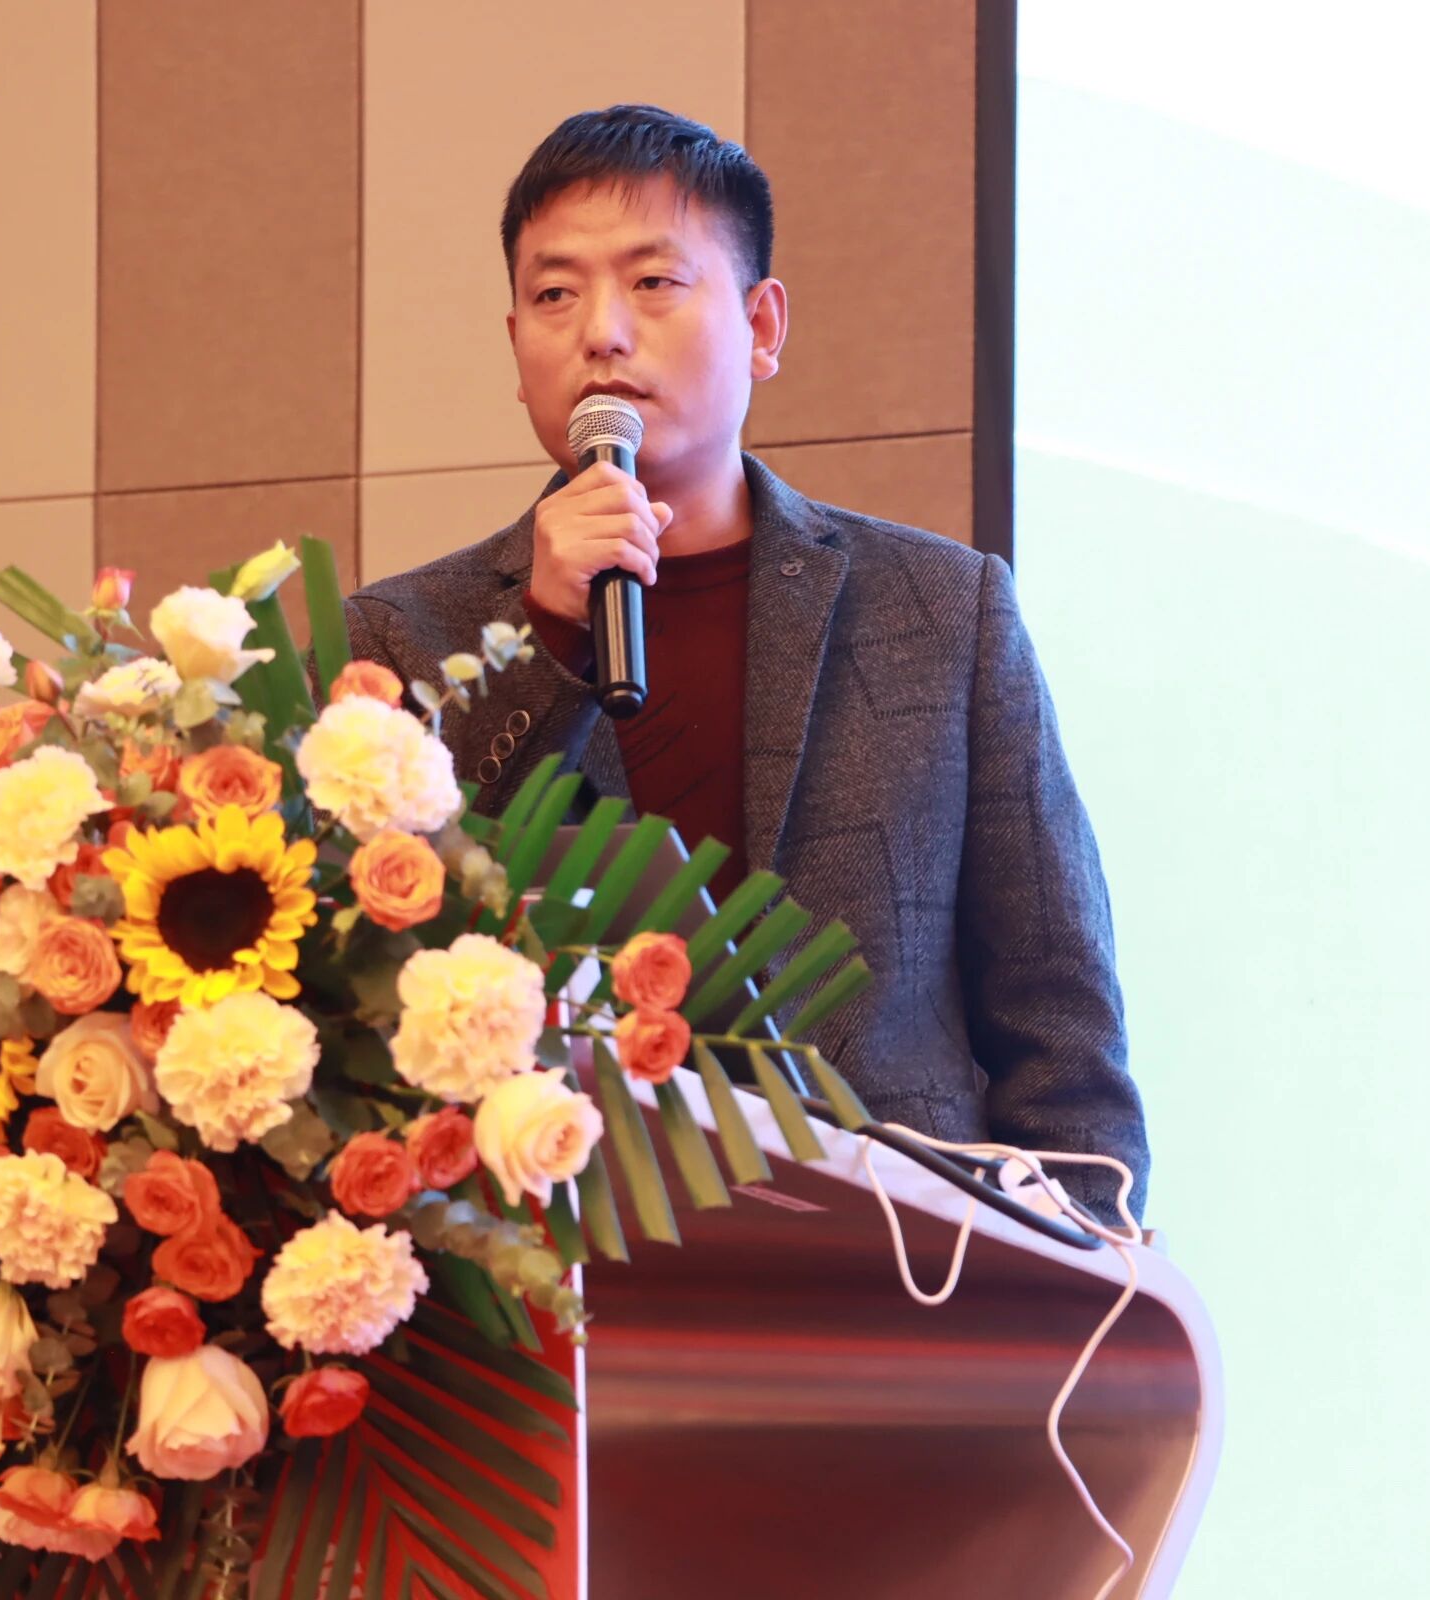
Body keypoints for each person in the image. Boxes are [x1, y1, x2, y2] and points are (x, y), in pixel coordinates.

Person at [344, 105, 1148, 1221]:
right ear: (516, 344)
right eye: (556, 294)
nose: (601, 333)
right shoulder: (400, 638)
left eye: (654, 283)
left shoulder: (942, 611)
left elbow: (1059, 1022)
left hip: (907, 1268)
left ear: (763, 326)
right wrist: (544, 639)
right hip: (551, 1267)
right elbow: (375, 972)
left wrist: (1079, 1274)